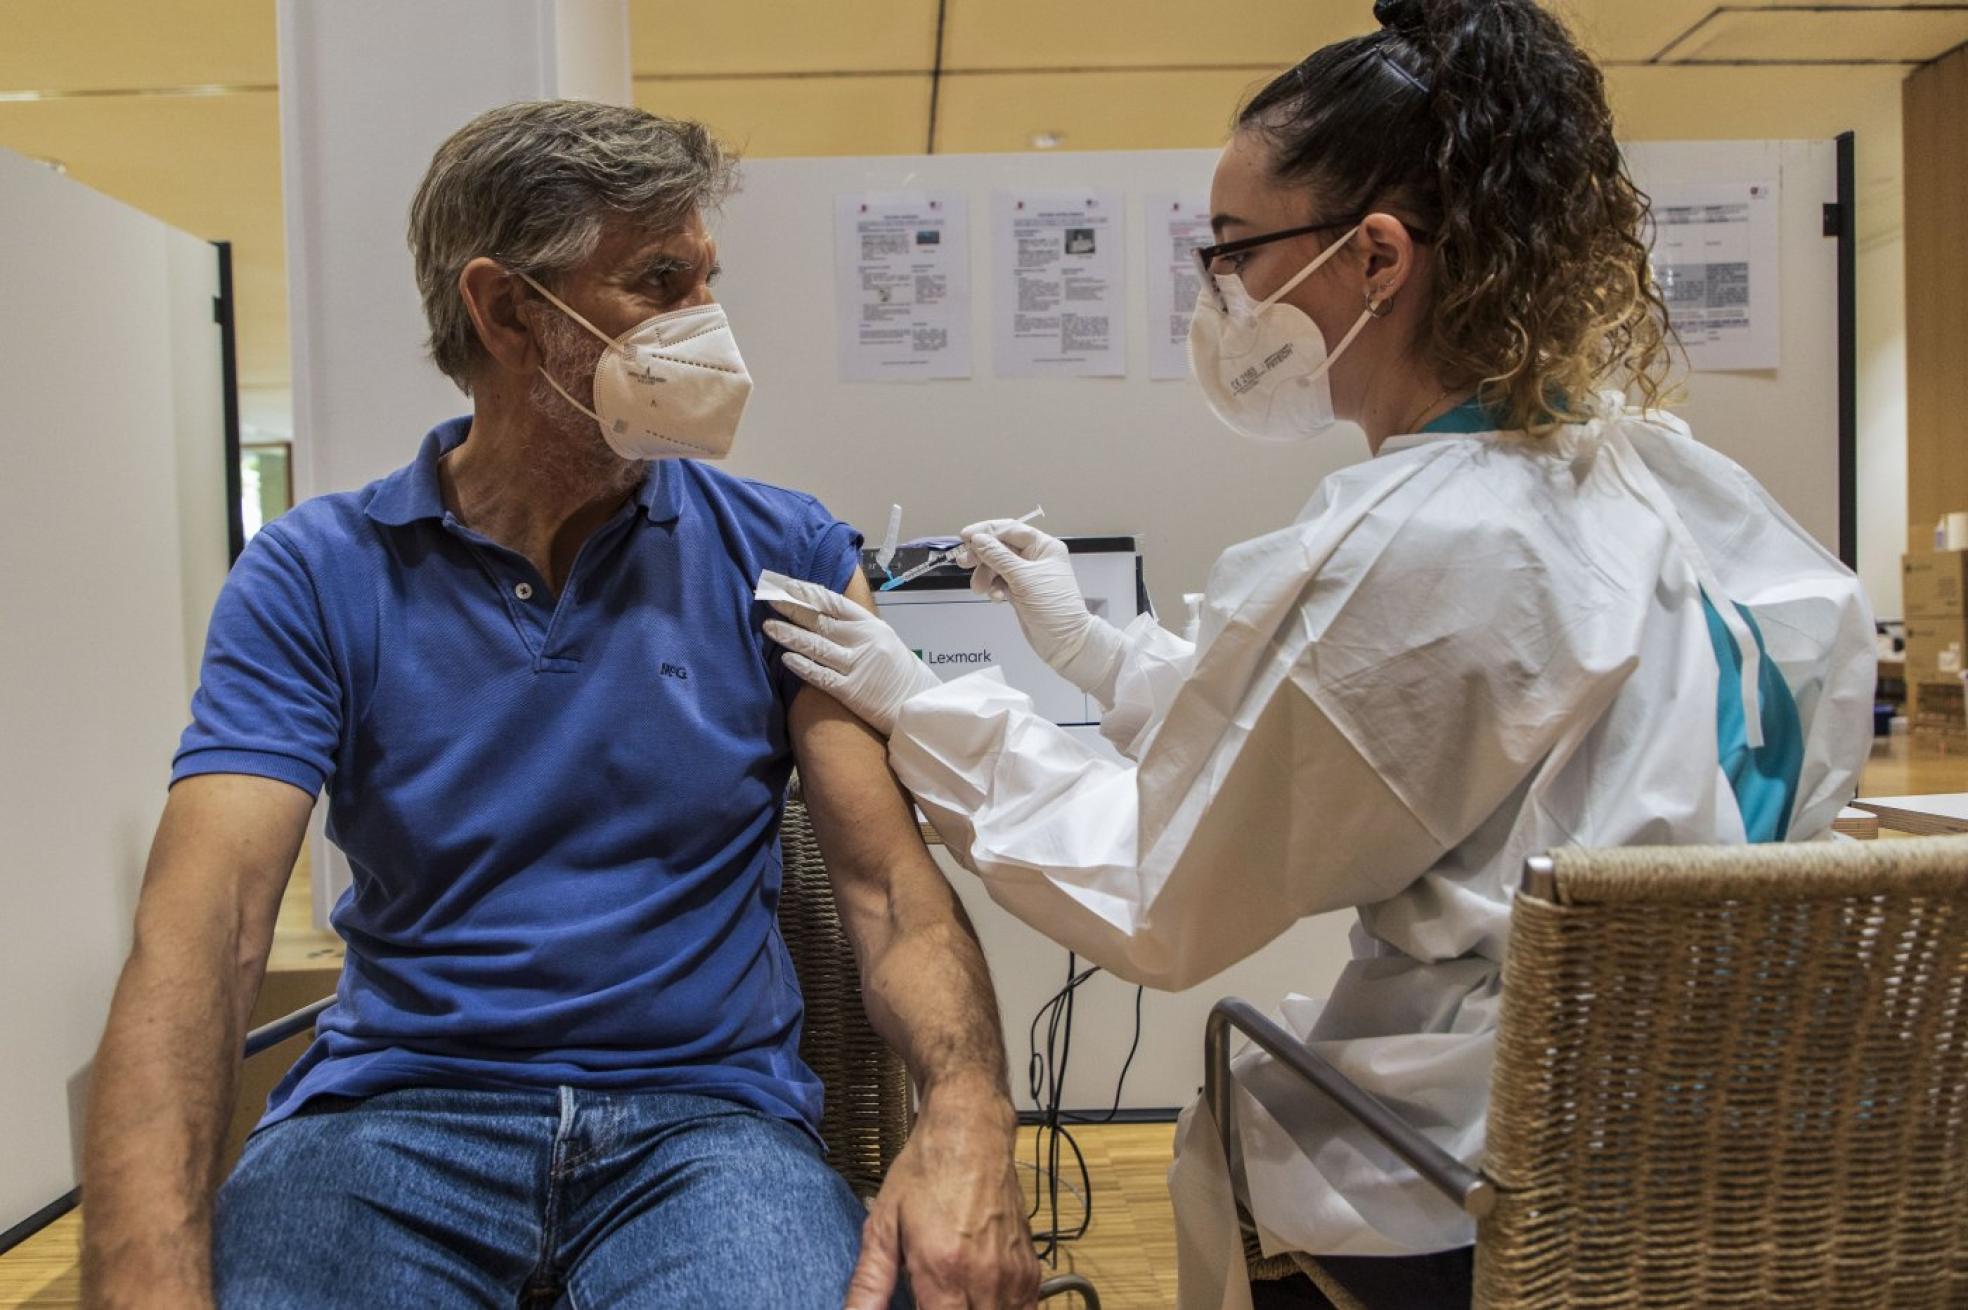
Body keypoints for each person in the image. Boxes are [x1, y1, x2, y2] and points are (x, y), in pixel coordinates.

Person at [761, 2, 1876, 1306]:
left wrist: (920, 703)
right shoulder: (1669, 481)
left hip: (1490, 1181)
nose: (1220, 296)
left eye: (1235, 252)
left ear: (1377, 258)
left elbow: (1156, 889)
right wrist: (1095, 649)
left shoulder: (1418, 538)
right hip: (1738, 1156)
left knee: (1251, 1097)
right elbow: (1375, 734)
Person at [81, 101, 1038, 1310]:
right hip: (393, 1118)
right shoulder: (316, 572)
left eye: (707, 279)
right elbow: (204, 929)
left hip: (705, 1130)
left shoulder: (785, 553)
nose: (708, 325)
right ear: (507, 310)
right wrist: (139, 1272)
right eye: (658, 281)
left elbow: (890, 892)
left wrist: (970, 1115)